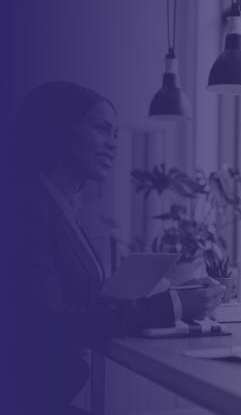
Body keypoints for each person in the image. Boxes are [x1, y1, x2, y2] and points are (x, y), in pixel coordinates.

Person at [8, 81, 225, 414]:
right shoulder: (26, 207)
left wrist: (176, 294)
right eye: (101, 129)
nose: (113, 145)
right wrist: (172, 307)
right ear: (60, 130)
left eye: (116, 135)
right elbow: (47, 322)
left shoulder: (59, 204)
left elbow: (79, 299)